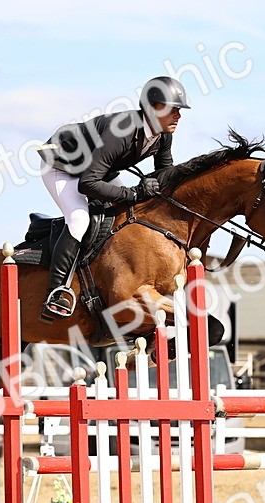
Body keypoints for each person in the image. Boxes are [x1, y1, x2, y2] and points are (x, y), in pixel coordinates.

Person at [38, 76, 190, 322]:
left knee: (129, 213)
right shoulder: (123, 132)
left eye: (179, 110)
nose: (179, 115)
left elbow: (165, 173)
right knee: (79, 219)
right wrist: (134, 192)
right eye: (173, 109)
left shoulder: (163, 135)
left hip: (96, 170)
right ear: (153, 108)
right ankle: (56, 292)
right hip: (62, 166)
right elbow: (87, 184)